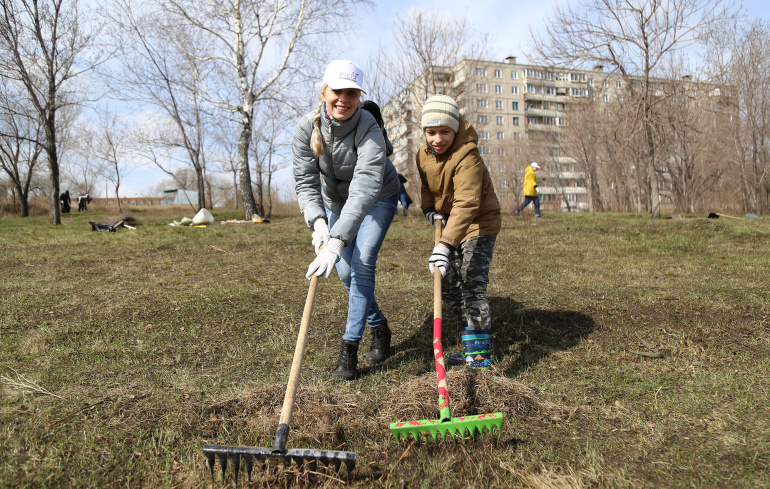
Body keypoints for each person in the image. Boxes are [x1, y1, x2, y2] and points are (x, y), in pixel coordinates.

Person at [293, 60, 400, 381]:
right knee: (345, 271)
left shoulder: (368, 125)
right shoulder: (305, 129)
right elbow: (305, 182)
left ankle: (349, 348)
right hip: (337, 203)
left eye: (352, 92)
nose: (344, 99)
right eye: (337, 91)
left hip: (378, 197)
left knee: (363, 262)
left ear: (359, 95)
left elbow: (367, 184)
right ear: (323, 92)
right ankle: (380, 327)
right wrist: (319, 225)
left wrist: (337, 241)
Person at [416, 95, 502, 370]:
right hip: (451, 224)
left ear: (456, 129)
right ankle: (472, 343)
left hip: (478, 223)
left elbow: (468, 203)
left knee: (472, 283)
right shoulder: (423, 154)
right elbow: (427, 186)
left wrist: (443, 244)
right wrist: (429, 209)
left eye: (445, 131)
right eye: (431, 132)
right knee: (446, 281)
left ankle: (480, 356)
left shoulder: (468, 156)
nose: (437, 139)